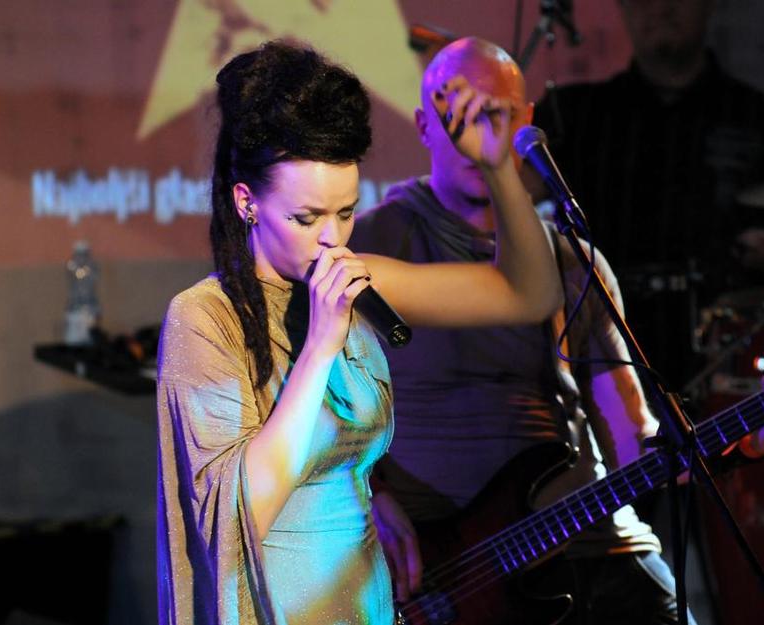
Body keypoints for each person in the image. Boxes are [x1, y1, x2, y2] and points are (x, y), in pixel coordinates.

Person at [350, 37, 764, 625]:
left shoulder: (572, 261)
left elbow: (634, 445)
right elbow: (310, 410)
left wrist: (754, 441)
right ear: (424, 126)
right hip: (455, 573)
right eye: (459, 115)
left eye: (494, 114)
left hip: (596, 538)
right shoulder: (371, 244)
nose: (478, 134)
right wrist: (368, 496)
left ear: (526, 123)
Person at [155, 39, 563, 625]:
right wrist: (320, 348)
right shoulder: (205, 317)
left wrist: (499, 168)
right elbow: (238, 516)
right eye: (305, 218)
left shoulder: (357, 282)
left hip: (366, 600)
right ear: (247, 202)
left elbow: (530, 295)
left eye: (345, 213)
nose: (331, 237)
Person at [532, 0, 764, 388]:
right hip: (600, 354)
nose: (661, 9)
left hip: (727, 359)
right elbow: (511, 207)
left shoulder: (763, 119)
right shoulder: (575, 114)